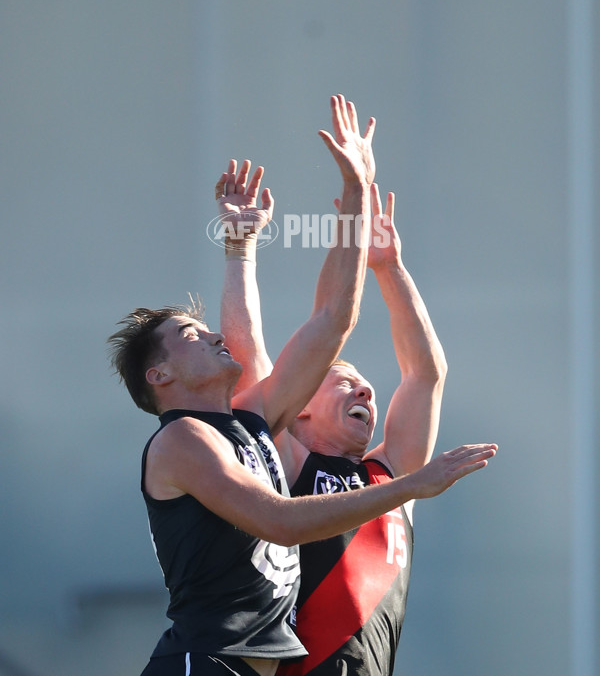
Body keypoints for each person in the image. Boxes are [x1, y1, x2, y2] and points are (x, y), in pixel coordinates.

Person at [110, 96, 497, 676]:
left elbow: (334, 319)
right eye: (191, 333)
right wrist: (418, 484)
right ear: (159, 375)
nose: (213, 334)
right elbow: (281, 521)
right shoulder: (185, 440)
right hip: (205, 663)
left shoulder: (254, 425)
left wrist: (358, 192)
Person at [219, 169, 477, 676]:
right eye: (343, 381)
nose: (365, 389)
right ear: (302, 405)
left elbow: (425, 374)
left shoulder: (395, 475)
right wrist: (239, 250)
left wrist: (389, 266)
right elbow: (247, 358)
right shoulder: (286, 461)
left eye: (365, 385)